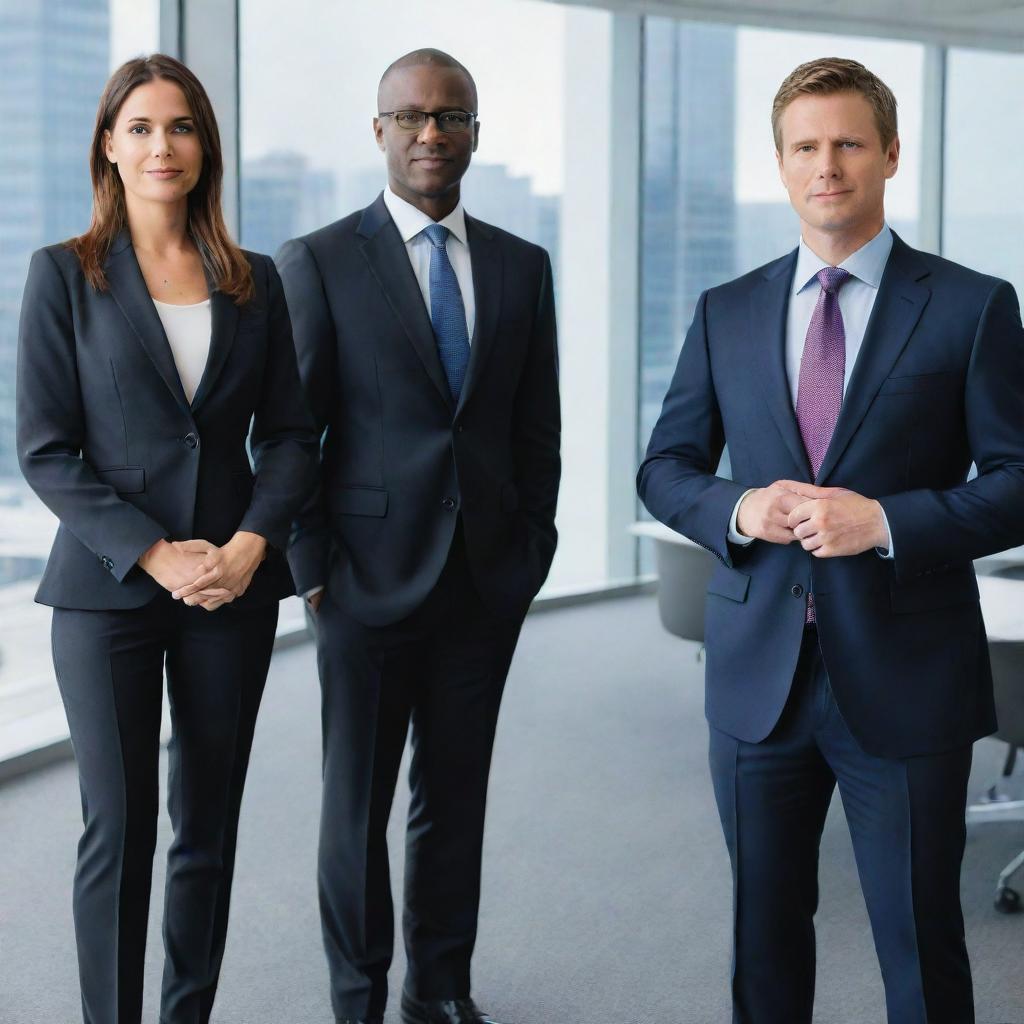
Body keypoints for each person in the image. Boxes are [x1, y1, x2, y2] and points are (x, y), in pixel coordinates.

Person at [638, 57, 1024, 1024]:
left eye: (849, 142)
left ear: (890, 153)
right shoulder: (725, 309)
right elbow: (663, 467)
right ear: (781, 164)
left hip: (906, 676)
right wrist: (738, 509)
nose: (828, 165)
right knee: (762, 943)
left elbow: (1020, 481)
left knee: (920, 944)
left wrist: (887, 521)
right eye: (806, 146)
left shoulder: (974, 305)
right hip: (754, 682)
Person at [16, 54, 317, 1024]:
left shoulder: (253, 281)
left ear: (204, 147)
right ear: (108, 144)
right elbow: (46, 449)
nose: (161, 145)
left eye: (180, 126)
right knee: (119, 826)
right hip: (107, 592)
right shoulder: (62, 275)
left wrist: (249, 545)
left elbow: (289, 436)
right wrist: (153, 550)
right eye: (140, 126)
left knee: (207, 829)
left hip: (230, 589)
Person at [277, 48, 560, 1024]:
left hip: (483, 582)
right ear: (379, 131)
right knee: (353, 808)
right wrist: (311, 569)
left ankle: (438, 988)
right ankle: (355, 997)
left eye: (450, 117)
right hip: (358, 585)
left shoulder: (523, 267)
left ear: (475, 132)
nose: (430, 134)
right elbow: (289, 434)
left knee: (454, 799)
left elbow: (536, 431)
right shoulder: (315, 261)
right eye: (410, 117)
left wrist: (528, 555)